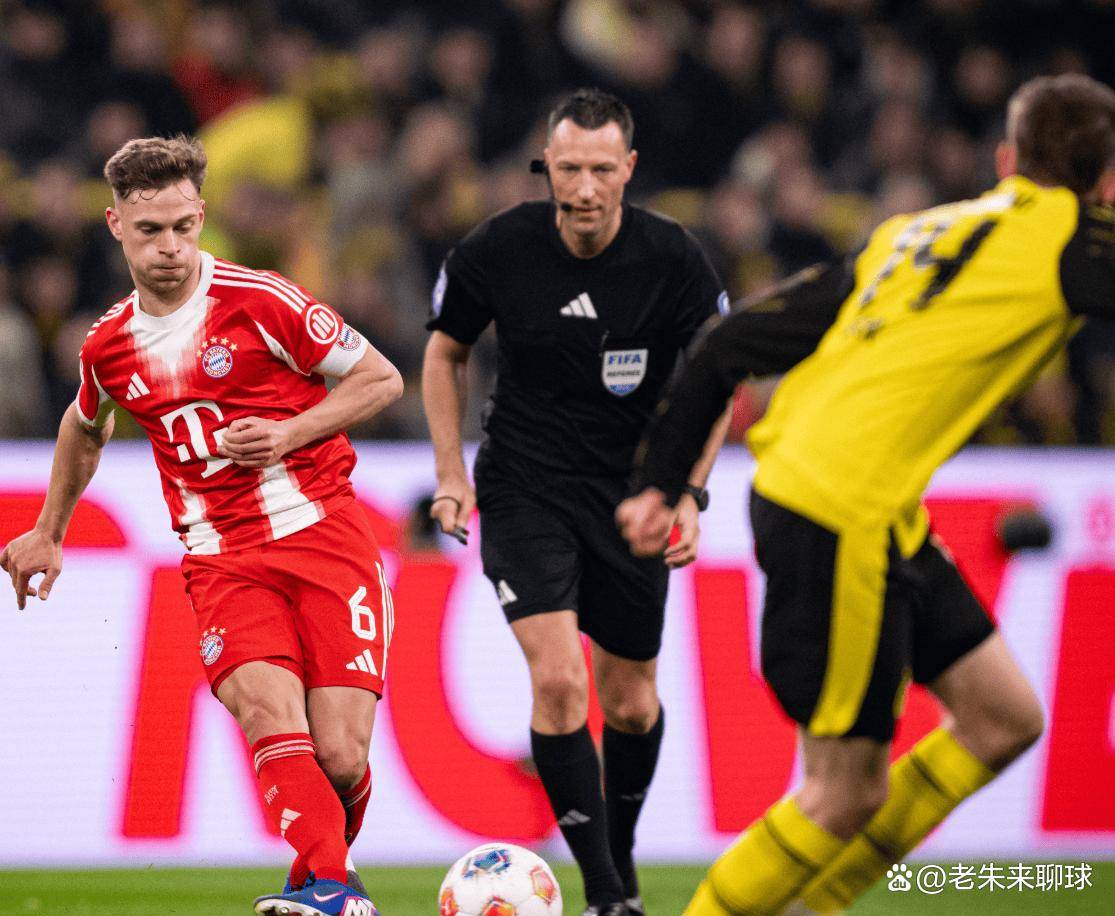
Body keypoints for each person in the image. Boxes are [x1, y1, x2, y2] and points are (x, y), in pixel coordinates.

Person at [617, 72, 1115, 915]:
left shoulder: (911, 232)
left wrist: (659, 481)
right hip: (838, 506)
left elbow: (730, 341)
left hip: (848, 497)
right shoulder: (1076, 241)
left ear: (1005, 160)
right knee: (843, 790)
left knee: (1002, 718)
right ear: (1102, 184)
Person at [0, 136, 401, 916]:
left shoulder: (263, 301)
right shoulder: (109, 344)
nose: (170, 248)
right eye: (151, 230)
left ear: (201, 217)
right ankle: (332, 888)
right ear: (116, 225)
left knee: (341, 757)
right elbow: (85, 424)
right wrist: (49, 530)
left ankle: (323, 885)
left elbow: (379, 379)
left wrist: (289, 432)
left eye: (184, 227)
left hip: (322, 534)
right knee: (266, 713)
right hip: (223, 558)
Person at [422, 88, 731, 915]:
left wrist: (688, 493)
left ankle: (615, 857)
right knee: (559, 682)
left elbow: (717, 375)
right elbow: (445, 353)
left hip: (633, 498)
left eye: (600, 169)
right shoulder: (498, 249)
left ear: (627, 168)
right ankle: (603, 893)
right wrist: (451, 473)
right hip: (523, 488)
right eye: (568, 169)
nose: (584, 187)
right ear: (546, 167)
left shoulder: (672, 257)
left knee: (629, 703)